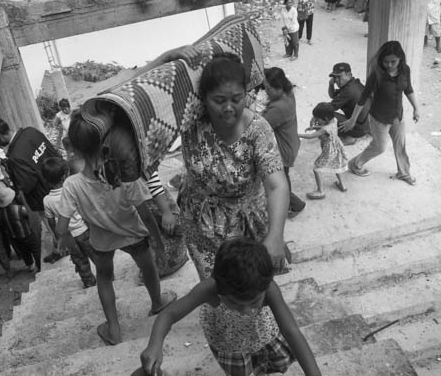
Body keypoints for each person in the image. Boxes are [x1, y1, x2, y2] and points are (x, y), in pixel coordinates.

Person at [56, 109, 178, 346]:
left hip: (101, 241)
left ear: (74, 148)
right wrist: (159, 242)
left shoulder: (72, 185)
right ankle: (157, 302)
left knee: (104, 277)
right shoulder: (125, 174)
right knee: (148, 267)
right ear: (105, 140)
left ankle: (113, 328)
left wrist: (63, 238)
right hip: (134, 234)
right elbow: (145, 214)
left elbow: (61, 226)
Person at [178, 53, 290, 281]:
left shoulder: (258, 130)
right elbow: (134, 101)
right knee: (216, 286)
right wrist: (167, 57)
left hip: (247, 225)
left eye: (236, 99)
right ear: (203, 98)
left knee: (250, 286)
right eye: (219, 101)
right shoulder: (189, 121)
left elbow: (277, 185)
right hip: (201, 223)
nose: (229, 107)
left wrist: (276, 235)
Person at [138, 238, 322, 376]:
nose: (245, 311)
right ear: (219, 286)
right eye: (234, 303)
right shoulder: (208, 289)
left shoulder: (269, 289)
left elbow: (292, 332)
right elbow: (168, 314)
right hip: (229, 345)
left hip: (263, 335)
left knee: (269, 366)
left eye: (254, 303)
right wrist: (154, 345)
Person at [341, 41, 420, 186]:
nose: (389, 65)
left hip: (397, 115)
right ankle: (355, 164)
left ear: (400, 59)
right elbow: (363, 97)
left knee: (400, 145)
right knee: (379, 147)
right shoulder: (376, 74)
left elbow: (408, 88)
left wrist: (416, 108)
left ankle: (404, 173)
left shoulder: (405, 70)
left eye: (393, 61)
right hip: (379, 118)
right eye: (386, 62)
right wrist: (353, 119)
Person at [0, 117, 61, 265]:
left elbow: (27, 183)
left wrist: (17, 186)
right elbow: (52, 150)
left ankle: (60, 249)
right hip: (59, 182)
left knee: (53, 225)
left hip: (42, 197)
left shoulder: (15, 156)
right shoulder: (31, 132)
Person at [41, 157, 97, 288]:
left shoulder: (47, 200)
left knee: (80, 261)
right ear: (64, 177)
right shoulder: (72, 190)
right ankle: (107, 275)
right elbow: (84, 210)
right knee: (96, 255)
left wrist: (58, 238)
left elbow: (51, 221)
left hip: (68, 238)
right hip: (83, 231)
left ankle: (89, 281)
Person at [262, 67, 306, 219]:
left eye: (268, 89)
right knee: (283, 178)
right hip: (290, 142)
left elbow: (262, 126)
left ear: (279, 87)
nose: (265, 92)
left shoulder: (280, 107)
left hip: (283, 150)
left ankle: (294, 204)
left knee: (280, 180)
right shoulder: (288, 93)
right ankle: (291, 204)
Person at [299, 103, 348, 199]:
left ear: (325, 118)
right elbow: (325, 128)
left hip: (329, 149)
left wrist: (297, 134)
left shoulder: (325, 128)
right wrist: (315, 127)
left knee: (316, 168)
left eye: (318, 119)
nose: (316, 120)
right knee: (337, 164)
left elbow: (311, 136)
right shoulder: (334, 120)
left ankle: (320, 191)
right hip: (337, 146)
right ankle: (342, 185)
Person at [0, 187, 42, 272]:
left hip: (15, 236)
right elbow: (29, 216)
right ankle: (39, 266)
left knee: (24, 252)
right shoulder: (19, 209)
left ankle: (30, 265)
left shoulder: (0, 211)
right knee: (36, 249)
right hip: (27, 234)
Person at [327, 62, 370, 145]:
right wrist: (331, 84)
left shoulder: (348, 91)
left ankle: (349, 137)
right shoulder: (353, 84)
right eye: (334, 77)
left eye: (339, 76)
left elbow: (329, 108)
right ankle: (352, 134)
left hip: (359, 128)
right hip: (366, 124)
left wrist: (316, 114)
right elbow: (333, 96)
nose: (336, 80)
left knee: (325, 115)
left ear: (349, 74)